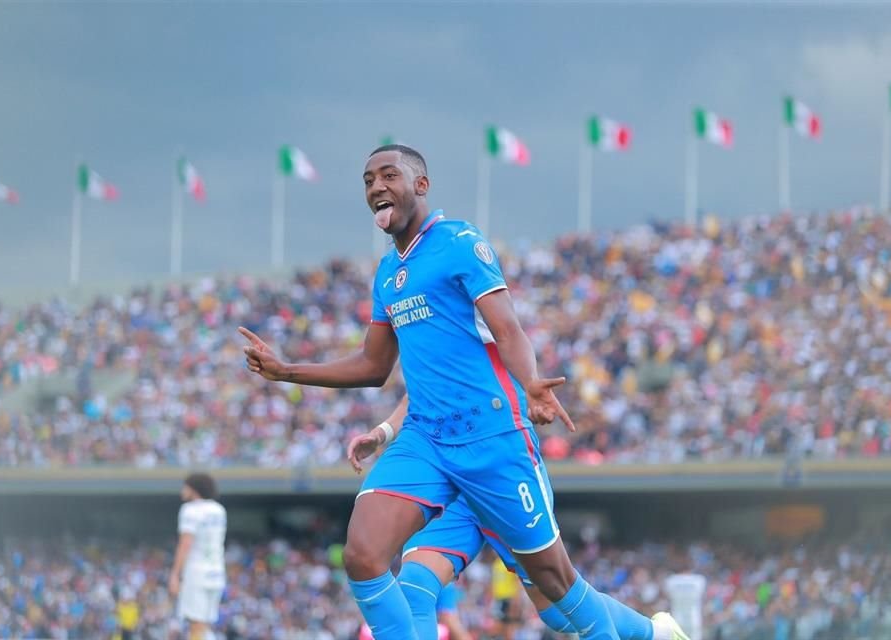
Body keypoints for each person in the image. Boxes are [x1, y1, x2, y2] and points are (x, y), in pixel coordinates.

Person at [240, 144, 664, 640]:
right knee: (366, 554)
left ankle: (652, 635)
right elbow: (377, 366)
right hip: (429, 442)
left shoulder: (459, 243)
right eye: (367, 179)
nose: (376, 186)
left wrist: (531, 384)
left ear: (421, 185)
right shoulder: (388, 275)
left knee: (555, 592)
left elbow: (508, 331)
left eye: (388, 175)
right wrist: (288, 371)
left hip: (491, 439)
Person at [347, 396, 690, 640]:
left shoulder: (480, 310)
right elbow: (421, 390)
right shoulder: (413, 309)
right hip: (450, 477)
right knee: (415, 586)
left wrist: (532, 389)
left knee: (557, 611)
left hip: (501, 473)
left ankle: (655, 632)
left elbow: (509, 355)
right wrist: (383, 433)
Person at [170, 473, 227, 640]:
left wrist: (175, 574)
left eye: (185, 486)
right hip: (216, 572)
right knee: (205, 624)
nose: (182, 490)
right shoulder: (219, 510)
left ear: (193, 488)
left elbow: (185, 543)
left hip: (196, 572)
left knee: (195, 624)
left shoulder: (190, 510)